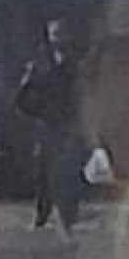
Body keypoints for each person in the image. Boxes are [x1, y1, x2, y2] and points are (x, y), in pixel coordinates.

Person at [15, 17, 87, 231]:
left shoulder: (80, 65)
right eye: (55, 34)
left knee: (70, 173)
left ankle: (68, 217)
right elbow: (23, 98)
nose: (59, 39)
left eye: (63, 34)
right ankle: (42, 215)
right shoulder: (40, 67)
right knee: (44, 173)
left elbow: (86, 96)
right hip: (48, 128)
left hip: (71, 128)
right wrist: (40, 113)